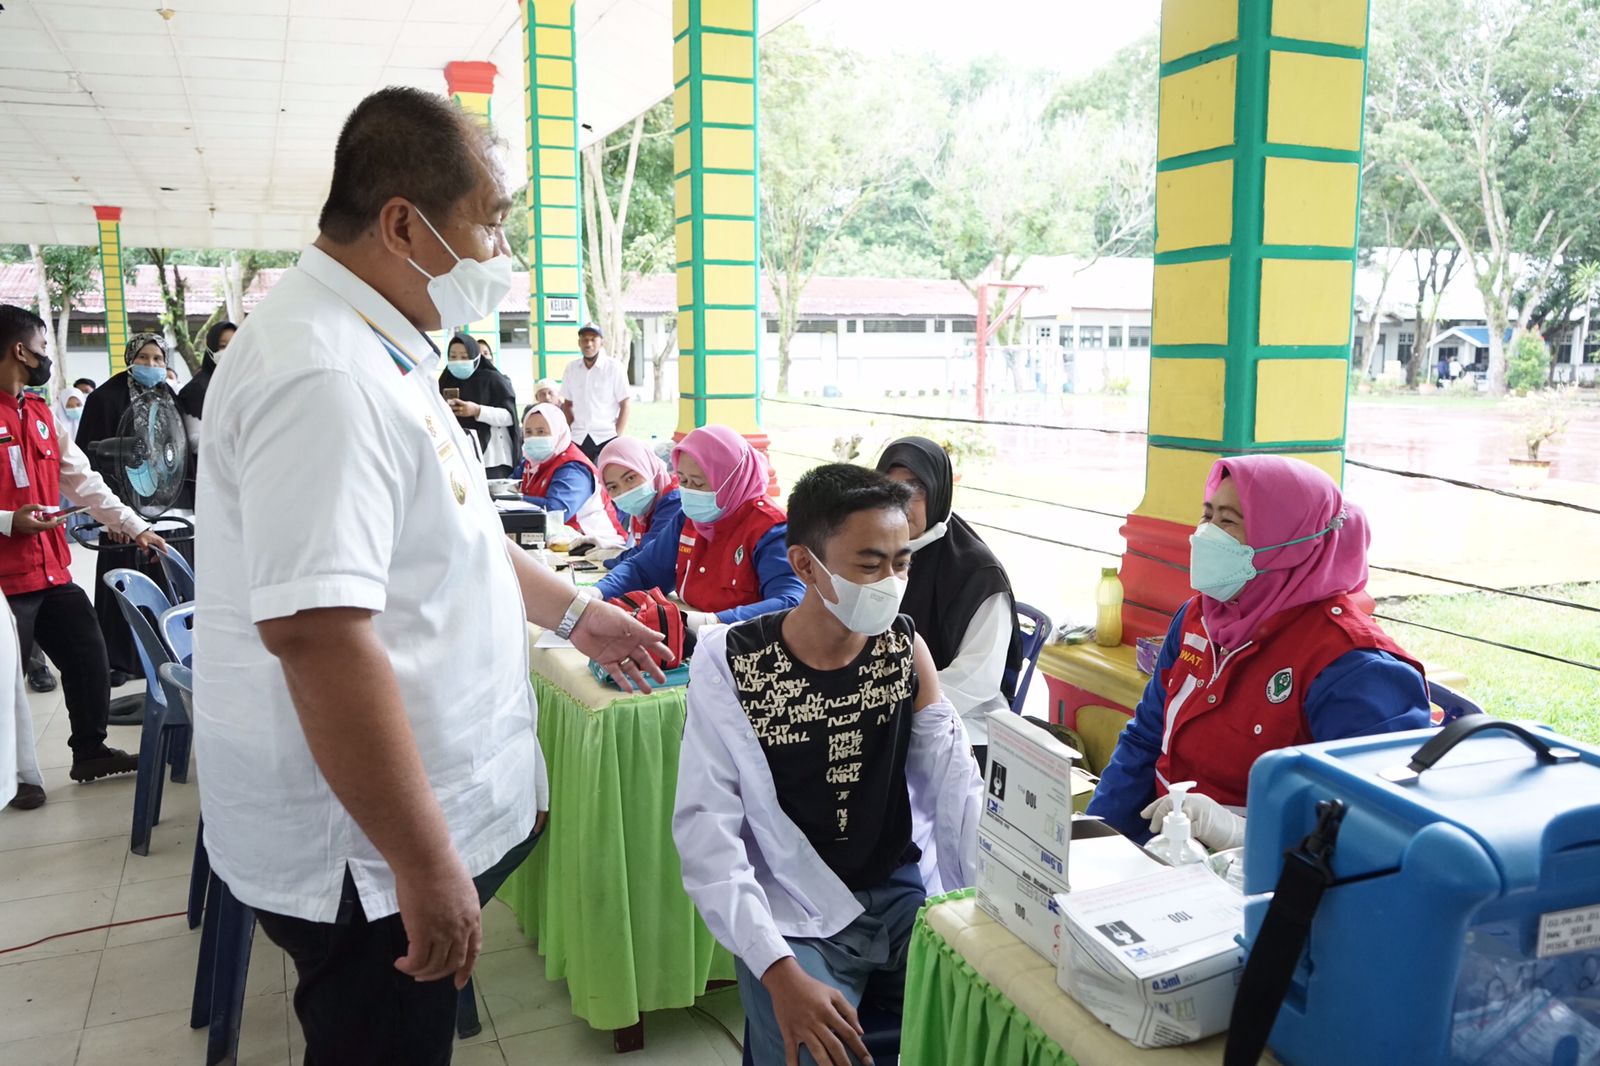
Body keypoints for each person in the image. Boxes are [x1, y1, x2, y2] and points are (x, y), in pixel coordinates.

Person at [192, 86, 668, 1066]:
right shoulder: (321, 374)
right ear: (403, 224)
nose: (505, 256)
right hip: (366, 863)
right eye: (491, 224)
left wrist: (580, 613)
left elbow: (454, 531)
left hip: (392, 842)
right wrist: (421, 862)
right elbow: (320, 637)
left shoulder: (377, 346)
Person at [674, 463, 982, 1066]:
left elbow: (954, 787)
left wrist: (982, 909)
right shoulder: (735, 665)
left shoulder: (904, 648)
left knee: (982, 1015)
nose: (892, 582)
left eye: (902, 562)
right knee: (817, 1049)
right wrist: (778, 970)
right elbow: (706, 832)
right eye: (871, 564)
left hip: (896, 895)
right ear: (806, 566)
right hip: (795, 903)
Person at [1086, 455, 1432, 849]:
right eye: (1207, 515)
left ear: (1287, 542)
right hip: (1166, 845)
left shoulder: (1353, 666)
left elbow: (1375, 828)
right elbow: (1146, 737)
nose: (1205, 535)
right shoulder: (1198, 617)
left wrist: (1238, 834)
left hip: (1265, 879)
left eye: (1229, 521)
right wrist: (1097, 834)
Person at [0, 305, 170, 798]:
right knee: (8, 686)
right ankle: (18, 778)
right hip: (5, 582)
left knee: (88, 657)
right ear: (21, 351)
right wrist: (10, 521)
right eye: (43, 349)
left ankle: (90, 752)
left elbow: (83, 482)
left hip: (50, 572)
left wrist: (135, 526)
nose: (46, 358)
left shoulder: (40, 413)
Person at [876, 437, 1023, 766]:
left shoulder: (978, 575)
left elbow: (976, 681)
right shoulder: (871, 554)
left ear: (939, 491)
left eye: (916, 488)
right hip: (882, 713)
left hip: (964, 724)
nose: (901, 503)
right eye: (889, 489)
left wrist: (891, 704)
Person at [594, 425, 804, 632]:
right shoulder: (689, 519)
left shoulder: (770, 529)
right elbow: (643, 569)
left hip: (745, 642)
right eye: (683, 481)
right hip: (694, 635)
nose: (689, 492)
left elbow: (790, 601)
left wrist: (713, 622)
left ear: (730, 479)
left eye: (698, 483)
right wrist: (598, 593)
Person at [75, 331, 183, 687]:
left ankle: (165, 652)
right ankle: (119, 660)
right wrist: (113, 516)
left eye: (158, 359)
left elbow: (177, 454)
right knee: (120, 583)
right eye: (144, 358)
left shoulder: (168, 398)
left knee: (160, 579)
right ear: (129, 358)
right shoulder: (105, 398)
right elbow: (89, 460)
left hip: (163, 506)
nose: (151, 365)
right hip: (119, 508)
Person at [517, 401, 624, 547]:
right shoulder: (534, 461)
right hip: (558, 539)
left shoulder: (574, 468)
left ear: (558, 431)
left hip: (595, 544)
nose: (534, 438)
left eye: (541, 431)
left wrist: (514, 500)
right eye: (528, 432)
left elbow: (557, 511)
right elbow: (511, 483)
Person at [588, 436, 681, 570]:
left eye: (630, 478)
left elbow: (647, 558)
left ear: (648, 468)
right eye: (613, 487)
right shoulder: (642, 511)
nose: (625, 491)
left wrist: (613, 557)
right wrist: (617, 551)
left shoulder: (674, 502)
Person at [440, 332, 520, 480]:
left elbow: (509, 417)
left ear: (476, 357)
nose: (458, 361)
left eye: (464, 357)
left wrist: (477, 410)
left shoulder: (493, 379)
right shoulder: (446, 379)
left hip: (492, 458)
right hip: (458, 456)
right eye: (452, 356)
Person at [561, 322, 629, 462]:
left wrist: (617, 434)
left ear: (601, 342)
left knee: (605, 479)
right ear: (579, 343)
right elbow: (567, 404)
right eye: (584, 339)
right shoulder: (571, 368)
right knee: (581, 477)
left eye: (593, 339)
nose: (588, 343)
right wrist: (569, 431)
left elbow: (625, 403)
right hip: (578, 438)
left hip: (606, 437)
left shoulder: (614, 368)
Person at [178, 319, 235, 436]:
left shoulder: (244, 383)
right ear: (210, 348)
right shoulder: (196, 389)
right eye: (222, 346)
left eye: (234, 345)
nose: (229, 352)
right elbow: (194, 439)